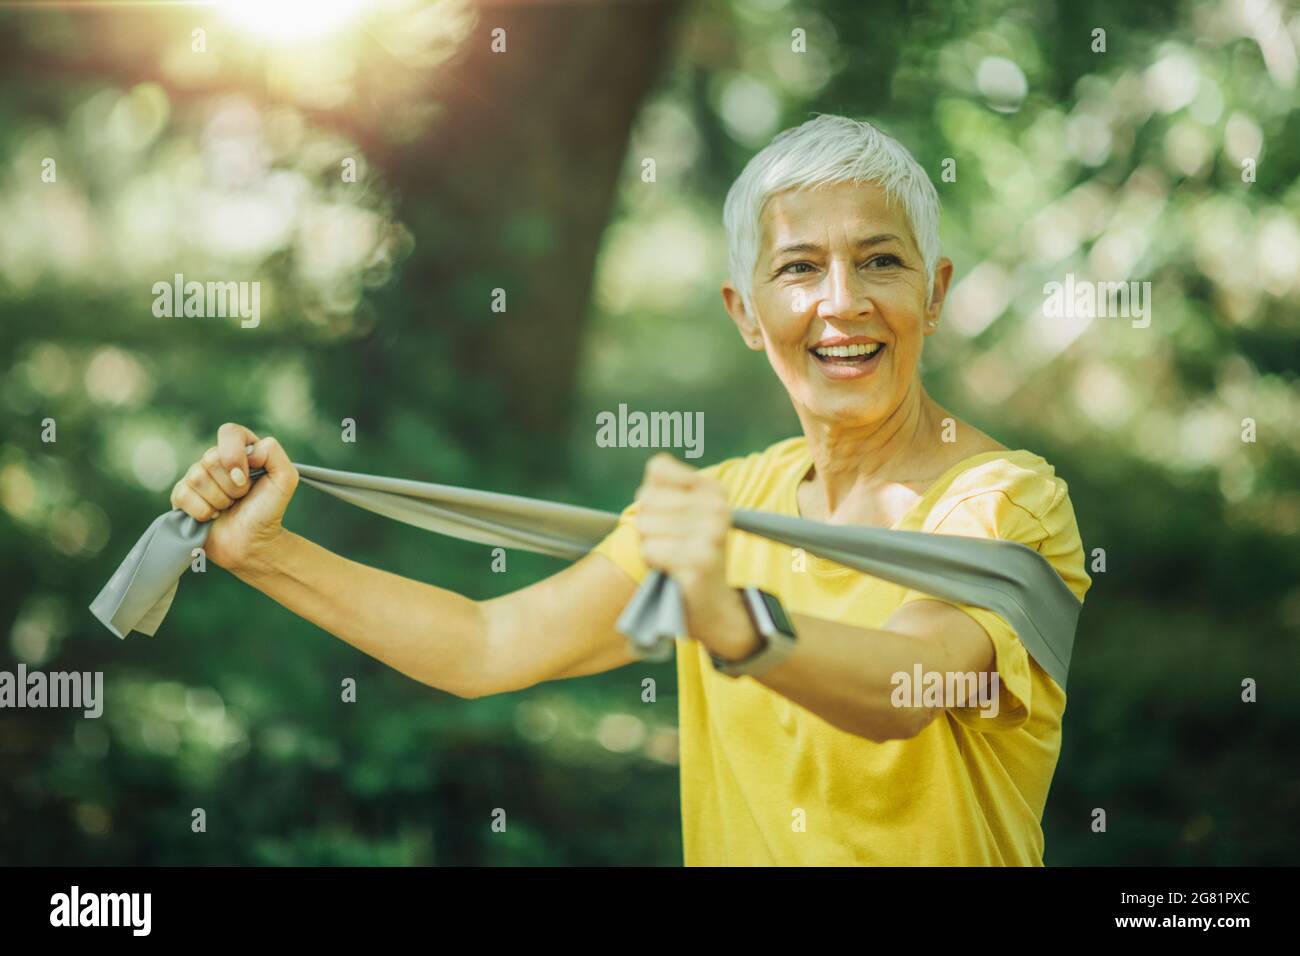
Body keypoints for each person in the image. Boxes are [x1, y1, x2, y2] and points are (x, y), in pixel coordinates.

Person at [169, 113, 1091, 866]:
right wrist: (265, 553)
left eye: (879, 262)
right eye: (799, 267)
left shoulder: (1006, 501)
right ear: (745, 312)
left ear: (933, 294)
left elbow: (906, 688)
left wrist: (732, 621)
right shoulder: (723, 505)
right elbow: (484, 646)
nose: (841, 301)